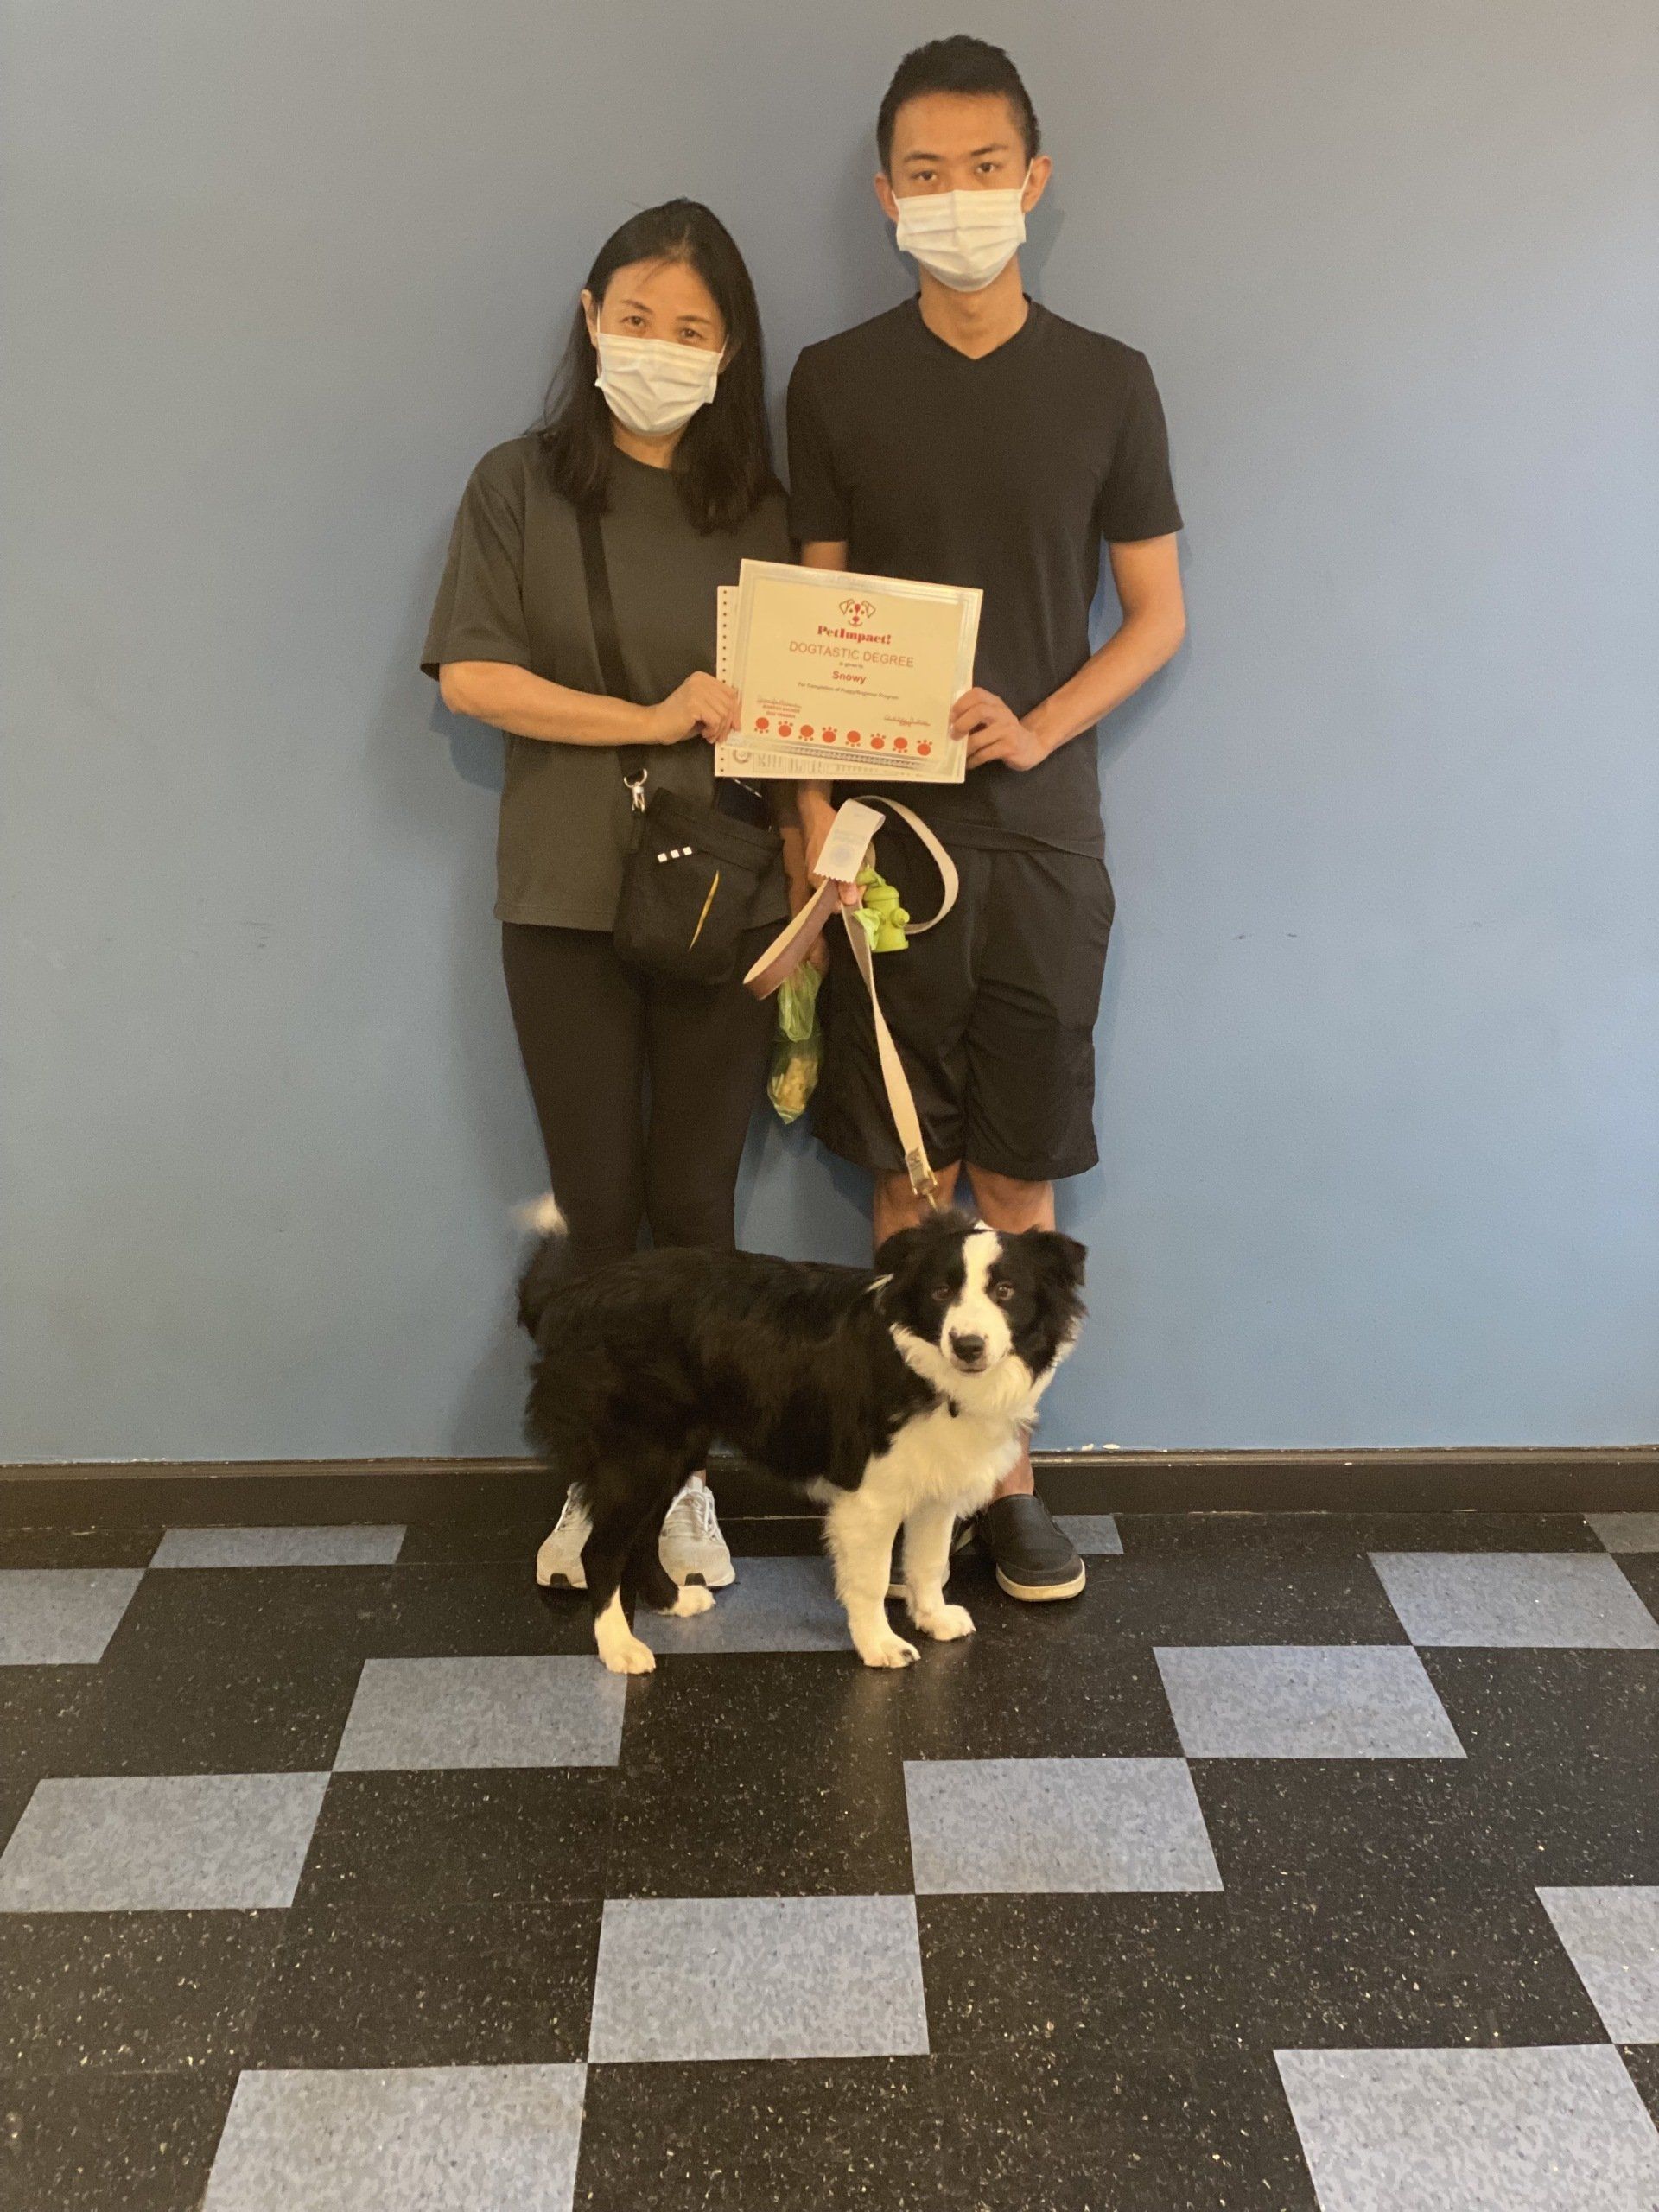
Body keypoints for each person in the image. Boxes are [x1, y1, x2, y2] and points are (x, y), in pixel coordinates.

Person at [788, 37, 1187, 1601]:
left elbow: (1154, 618)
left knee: (1018, 1179)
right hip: (885, 856)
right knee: (905, 1175)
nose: (958, 200)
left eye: (985, 169)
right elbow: (803, 630)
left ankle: (1006, 1479)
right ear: (889, 196)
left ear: (1034, 180)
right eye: (925, 174)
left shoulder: (1110, 381)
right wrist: (816, 837)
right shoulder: (833, 382)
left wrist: (1037, 722)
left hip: (1042, 845)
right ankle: (907, 1480)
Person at [422, 200, 804, 1593]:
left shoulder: (764, 505)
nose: (659, 347)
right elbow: (474, 678)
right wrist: (648, 715)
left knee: (699, 1205)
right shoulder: (517, 484)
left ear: (731, 348)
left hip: (734, 903)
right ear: (589, 320)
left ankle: (684, 1483)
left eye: (692, 329)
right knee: (598, 1210)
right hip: (566, 899)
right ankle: (601, 1479)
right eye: (635, 319)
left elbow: (822, 688)